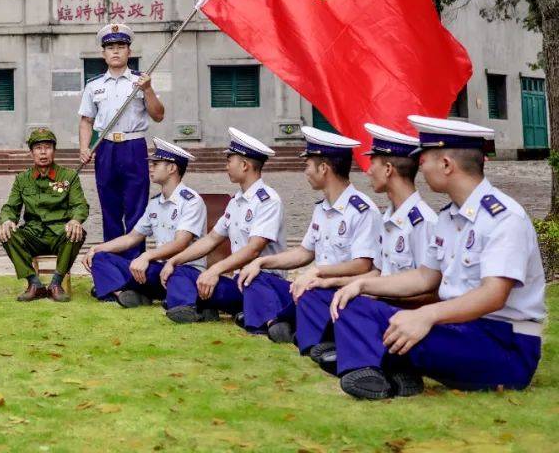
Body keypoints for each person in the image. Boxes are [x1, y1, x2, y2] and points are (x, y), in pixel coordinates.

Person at [331, 116, 545, 399]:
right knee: (355, 306)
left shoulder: (504, 218)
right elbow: (424, 277)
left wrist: (426, 315)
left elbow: (494, 295)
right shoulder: (448, 216)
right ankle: (386, 372)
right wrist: (361, 285)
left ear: (446, 164)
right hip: (457, 329)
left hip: (503, 342)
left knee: (399, 327)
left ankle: (378, 368)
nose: (420, 168)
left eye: (424, 161)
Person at [297, 123, 436, 374]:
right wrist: (336, 282)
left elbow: (432, 290)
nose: (368, 171)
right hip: (385, 303)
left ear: (388, 169)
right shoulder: (389, 218)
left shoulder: (422, 222)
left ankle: (366, 364)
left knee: (354, 304)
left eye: (373, 164)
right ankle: (346, 350)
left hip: (406, 311)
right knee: (338, 295)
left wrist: (372, 292)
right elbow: (378, 272)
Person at [237, 126, 381, 343]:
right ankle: (284, 322)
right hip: (314, 287)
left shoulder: (362, 210)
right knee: (256, 277)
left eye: (307, 165)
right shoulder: (322, 208)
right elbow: (304, 252)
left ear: (323, 168)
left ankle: (287, 323)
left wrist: (317, 272)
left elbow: (362, 265)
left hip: (340, 289)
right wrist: (261, 262)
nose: (305, 172)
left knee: (306, 300)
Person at [159, 128, 286, 324]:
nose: (226, 165)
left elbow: (253, 249)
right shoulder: (236, 201)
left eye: (229, 160)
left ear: (244, 165)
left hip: (263, 281)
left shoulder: (268, 201)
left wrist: (215, 270)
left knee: (250, 282)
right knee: (182, 271)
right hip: (240, 282)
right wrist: (175, 260)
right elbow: (211, 239)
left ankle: (249, 314)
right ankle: (190, 308)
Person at [83, 138, 205, 308]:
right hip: (160, 270)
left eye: (156, 164)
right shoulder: (155, 203)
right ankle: (121, 293)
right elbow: (131, 238)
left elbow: (180, 243)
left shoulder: (191, 201)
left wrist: (146, 256)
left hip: (184, 270)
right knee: (101, 257)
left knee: (175, 276)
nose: (150, 168)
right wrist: (96, 249)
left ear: (172, 168)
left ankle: (126, 290)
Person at [78, 23, 165, 257]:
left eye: (120, 46)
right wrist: (84, 147)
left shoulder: (141, 81)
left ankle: (135, 264)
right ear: (103, 53)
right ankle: (113, 264)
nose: (115, 51)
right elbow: (86, 120)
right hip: (105, 148)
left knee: (137, 207)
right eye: (110, 47)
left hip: (133, 147)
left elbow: (158, 115)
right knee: (110, 207)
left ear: (129, 51)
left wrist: (148, 90)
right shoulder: (94, 85)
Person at [0, 128, 89, 302]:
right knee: (7, 233)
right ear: (31, 152)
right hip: (33, 235)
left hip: (60, 233)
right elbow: (10, 207)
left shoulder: (68, 176)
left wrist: (75, 220)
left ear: (54, 151)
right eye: (38, 148)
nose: (43, 152)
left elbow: (80, 205)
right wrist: (7, 220)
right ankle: (34, 283)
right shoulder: (22, 179)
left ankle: (56, 283)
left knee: (77, 233)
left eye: (47, 147)